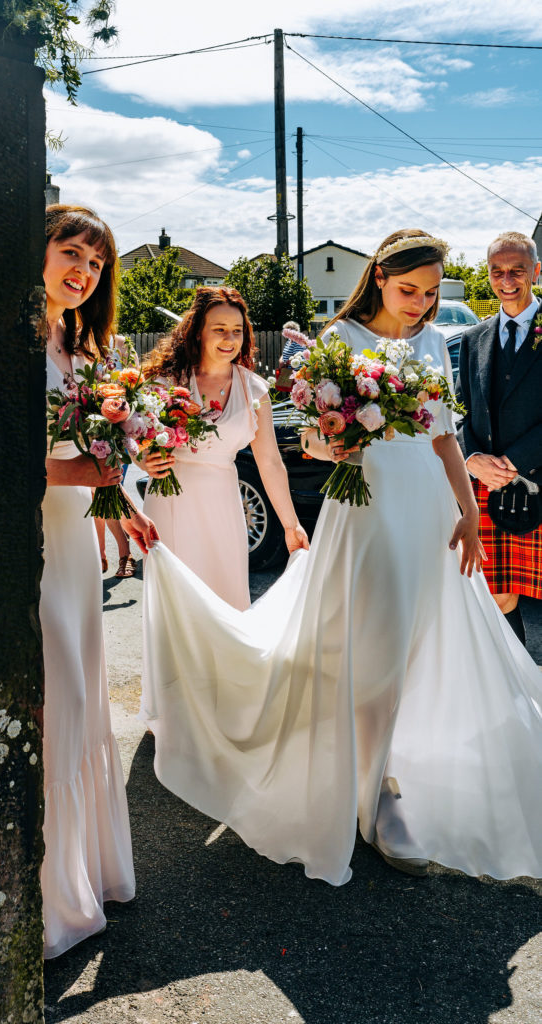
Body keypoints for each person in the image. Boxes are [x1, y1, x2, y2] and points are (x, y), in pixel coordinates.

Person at [141, 229, 542, 886]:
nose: (417, 304)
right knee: (373, 651)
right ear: (378, 277)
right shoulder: (339, 341)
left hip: (430, 512)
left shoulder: (436, 343)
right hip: (367, 511)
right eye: (406, 289)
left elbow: (443, 437)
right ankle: (374, 795)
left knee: (419, 645)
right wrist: (337, 443)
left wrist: (468, 515)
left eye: (428, 292)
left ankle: (393, 768)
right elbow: (315, 446)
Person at [41, 204, 158, 957]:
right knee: (63, 702)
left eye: (95, 262)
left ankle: (87, 872)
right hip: (30, 546)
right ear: (39, 251)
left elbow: (93, 455)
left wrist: (117, 500)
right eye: (70, 252)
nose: (82, 271)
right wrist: (88, 472)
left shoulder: (82, 352)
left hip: (76, 542)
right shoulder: (9, 339)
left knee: (86, 701)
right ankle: (46, 896)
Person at [140, 286, 308, 610]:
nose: (229, 338)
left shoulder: (254, 390)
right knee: (175, 606)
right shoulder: (166, 382)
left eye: (237, 331)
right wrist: (143, 457)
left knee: (225, 601)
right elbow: (135, 437)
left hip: (224, 506)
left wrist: (291, 524)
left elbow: (270, 462)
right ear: (198, 332)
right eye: (219, 329)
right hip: (170, 501)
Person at [456, 232, 542, 646]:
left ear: (536, 272)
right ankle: (517, 692)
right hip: (487, 485)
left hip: (535, 477)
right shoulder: (474, 338)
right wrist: (470, 455)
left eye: (517, 270)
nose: (506, 279)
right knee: (499, 593)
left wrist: (513, 463)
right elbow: (458, 409)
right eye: (497, 271)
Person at [95, 334, 139, 578]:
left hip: (117, 431)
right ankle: (100, 554)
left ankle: (123, 553)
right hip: (86, 430)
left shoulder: (121, 345)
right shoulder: (76, 343)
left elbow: (137, 392)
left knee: (108, 492)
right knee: (93, 495)